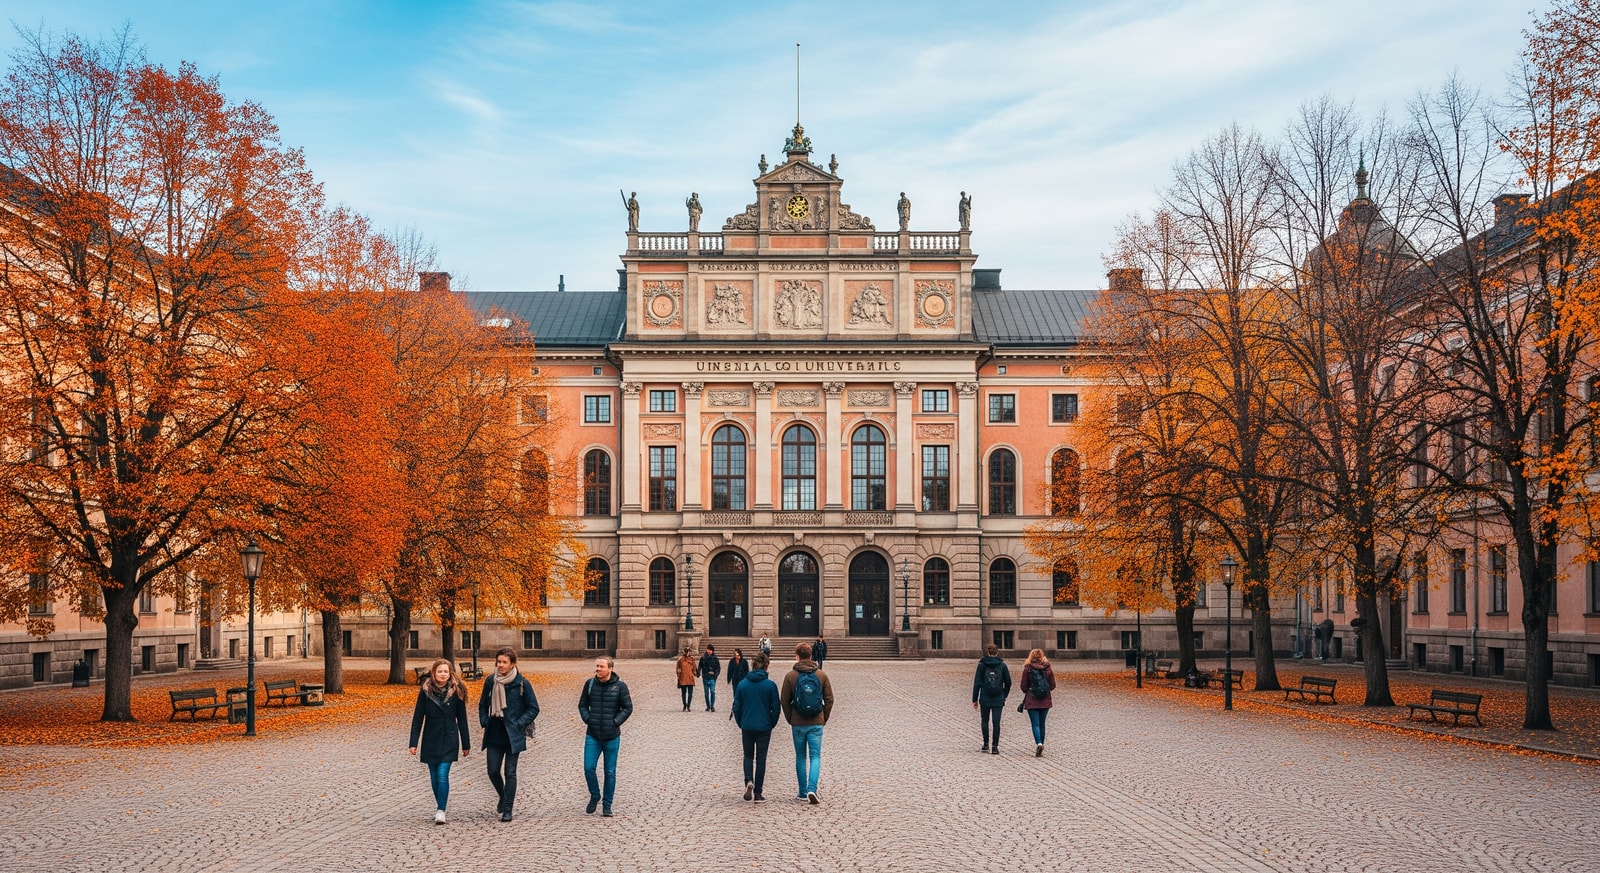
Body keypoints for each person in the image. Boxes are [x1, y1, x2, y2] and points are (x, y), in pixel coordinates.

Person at [479, 647, 539, 822]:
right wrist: (484, 720)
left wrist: (519, 724)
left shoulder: (522, 683)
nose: (501, 665)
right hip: (494, 733)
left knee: (510, 772)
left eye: (504, 662)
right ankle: (503, 796)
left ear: (512, 664)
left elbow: (533, 708)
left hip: (513, 735)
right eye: (498, 662)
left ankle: (508, 809)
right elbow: (483, 704)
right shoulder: (491, 681)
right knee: (492, 771)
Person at [408, 659, 471, 825]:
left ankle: (441, 810)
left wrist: (466, 743)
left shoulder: (457, 691)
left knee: (442, 775)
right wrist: (413, 742)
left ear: (450, 673)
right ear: (434, 673)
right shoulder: (425, 691)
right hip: (430, 737)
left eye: (446, 671)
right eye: (440, 671)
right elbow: (418, 717)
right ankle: (439, 805)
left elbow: (462, 719)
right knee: (434, 776)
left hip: (449, 736)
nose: (443, 674)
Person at [579, 656, 632, 817]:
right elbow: (582, 705)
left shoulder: (620, 686)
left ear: (610, 668)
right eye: (597, 666)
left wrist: (615, 722)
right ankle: (595, 795)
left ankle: (607, 805)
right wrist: (588, 719)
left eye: (601, 666)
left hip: (612, 736)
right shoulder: (590, 684)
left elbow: (628, 707)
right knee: (589, 768)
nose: (598, 669)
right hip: (593, 735)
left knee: (610, 772)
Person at [780, 642, 834, 804]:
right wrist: (823, 718)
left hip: (798, 723)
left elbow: (784, 700)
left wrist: (791, 718)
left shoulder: (791, 676)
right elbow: (829, 699)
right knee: (815, 756)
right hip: (816, 722)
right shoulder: (821, 675)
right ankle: (812, 788)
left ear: (797, 656)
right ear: (811, 656)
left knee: (801, 756)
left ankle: (803, 792)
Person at [732, 652, 781, 803]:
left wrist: (741, 723)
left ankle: (748, 781)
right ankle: (758, 793)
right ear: (766, 666)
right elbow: (776, 708)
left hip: (747, 725)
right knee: (761, 759)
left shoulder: (742, 684)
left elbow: (736, 707)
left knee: (748, 755)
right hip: (764, 726)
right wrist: (771, 723)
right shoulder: (770, 685)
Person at [971, 643, 1011, 754]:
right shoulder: (1002, 665)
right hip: (998, 697)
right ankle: (995, 747)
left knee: (985, 720)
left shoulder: (982, 665)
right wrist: (1004, 695)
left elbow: (977, 683)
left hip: (985, 696)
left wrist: (974, 699)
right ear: (997, 652)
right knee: (996, 723)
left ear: (988, 652)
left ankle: (985, 744)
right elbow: (1008, 682)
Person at [1019, 648, 1057, 757]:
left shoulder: (1028, 668)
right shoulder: (1048, 668)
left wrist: (1029, 690)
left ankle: (1039, 743)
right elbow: (1053, 685)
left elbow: (1023, 686)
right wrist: (1045, 689)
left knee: (1035, 724)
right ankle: (1042, 744)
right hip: (1045, 699)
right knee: (1042, 723)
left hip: (1032, 699)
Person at [725, 648, 749, 720]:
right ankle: (735, 708)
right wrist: (728, 679)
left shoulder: (744, 661)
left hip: (742, 680)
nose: (735, 654)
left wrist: (747, 679)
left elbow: (747, 671)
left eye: (736, 653)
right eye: (734, 653)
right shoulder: (732, 661)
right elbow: (729, 670)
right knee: (735, 695)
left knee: (742, 695)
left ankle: (741, 708)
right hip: (735, 680)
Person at [699, 644, 722, 712]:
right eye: (708, 649)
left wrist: (715, 674)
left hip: (712, 678)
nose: (709, 651)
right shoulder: (703, 658)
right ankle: (708, 706)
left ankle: (712, 705)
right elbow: (700, 666)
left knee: (712, 691)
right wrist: (698, 673)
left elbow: (718, 668)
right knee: (706, 693)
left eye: (710, 650)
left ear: (712, 651)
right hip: (705, 677)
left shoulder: (715, 658)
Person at [675, 647, 697, 712]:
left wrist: (696, 673)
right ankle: (684, 705)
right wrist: (679, 677)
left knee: (690, 694)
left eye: (689, 651)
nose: (688, 653)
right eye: (687, 651)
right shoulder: (680, 660)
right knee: (683, 693)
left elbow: (694, 668)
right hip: (683, 678)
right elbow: (678, 669)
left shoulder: (692, 659)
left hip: (690, 678)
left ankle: (688, 705)